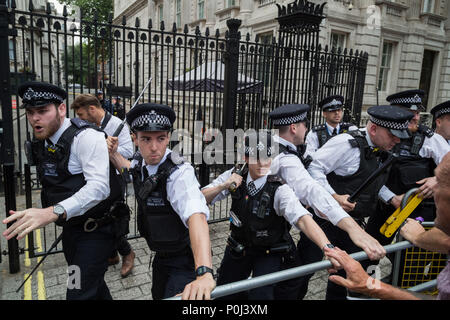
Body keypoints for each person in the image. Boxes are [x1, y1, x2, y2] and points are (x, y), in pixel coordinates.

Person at [3, 81, 124, 300]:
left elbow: (99, 188)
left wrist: (51, 212)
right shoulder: (46, 138)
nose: (35, 118)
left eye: (42, 111)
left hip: (98, 232)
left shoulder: (87, 137)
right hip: (72, 232)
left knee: (77, 292)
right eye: (30, 112)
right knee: (91, 286)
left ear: (61, 109)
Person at [267, 103, 386, 300]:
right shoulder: (286, 158)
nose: (307, 129)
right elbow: (312, 190)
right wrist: (352, 227)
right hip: (274, 233)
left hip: (262, 231)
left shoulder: (268, 145)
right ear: (295, 128)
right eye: (305, 124)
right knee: (294, 275)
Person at [201, 130, 338, 300]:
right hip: (239, 245)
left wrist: (328, 247)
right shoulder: (234, 175)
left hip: (268, 250)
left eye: (267, 157)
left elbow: (302, 219)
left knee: (261, 295)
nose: (262, 164)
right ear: (245, 158)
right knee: (225, 291)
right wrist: (223, 186)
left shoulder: (279, 188)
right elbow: (201, 198)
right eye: (256, 158)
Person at [108, 103, 215, 300]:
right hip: (160, 257)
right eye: (146, 139)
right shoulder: (140, 163)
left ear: (168, 138)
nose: (154, 147)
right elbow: (128, 168)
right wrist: (113, 153)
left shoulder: (180, 173)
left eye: (161, 138)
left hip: (184, 261)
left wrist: (204, 272)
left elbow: (196, 216)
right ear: (135, 139)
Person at [307, 104, 414, 300]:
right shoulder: (345, 143)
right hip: (323, 222)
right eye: (393, 135)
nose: (397, 140)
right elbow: (313, 169)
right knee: (304, 271)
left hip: (353, 224)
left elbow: (371, 181)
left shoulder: (381, 147)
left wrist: (393, 198)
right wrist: (333, 197)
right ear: (374, 129)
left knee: (346, 275)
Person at [324, 152, 450, 300]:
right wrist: (418, 237)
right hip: (383, 213)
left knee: (407, 268)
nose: (432, 192)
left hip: (411, 216)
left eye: (439, 184)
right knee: (370, 258)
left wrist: (370, 286)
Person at [364, 90, 450, 286]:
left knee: (409, 257)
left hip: (419, 211)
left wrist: (436, 180)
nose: (415, 117)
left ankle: (401, 287)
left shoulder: (430, 139)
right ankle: (369, 284)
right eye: (409, 112)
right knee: (371, 251)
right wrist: (391, 198)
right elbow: (369, 174)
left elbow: (449, 169)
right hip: (386, 206)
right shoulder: (378, 136)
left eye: (418, 112)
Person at [71, 94, 135, 278]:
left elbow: (129, 151)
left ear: (92, 109)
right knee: (97, 217)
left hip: (114, 179)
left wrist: (106, 145)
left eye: (81, 114)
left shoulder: (116, 124)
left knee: (113, 217)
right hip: (92, 179)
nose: (79, 118)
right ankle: (111, 253)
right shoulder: (84, 127)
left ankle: (127, 252)